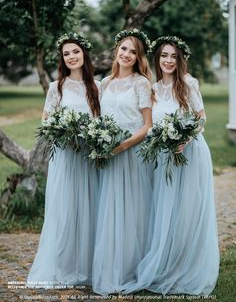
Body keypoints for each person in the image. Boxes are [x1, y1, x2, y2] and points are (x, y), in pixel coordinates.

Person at [123, 36, 219, 296]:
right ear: (158, 59)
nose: (168, 61)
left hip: (190, 153)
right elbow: (150, 125)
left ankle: (187, 267)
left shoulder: (188, 84)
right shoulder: (152, 89)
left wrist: (185, 138)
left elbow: (201, 118)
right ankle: (165, 263)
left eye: (173, 57)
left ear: (180, 60)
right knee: (165, 209)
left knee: (186, 210)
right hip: (164, 157)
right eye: (164, 56)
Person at [27, 32, 100, 288]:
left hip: (89, 158)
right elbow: (46, 121)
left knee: (89, 209)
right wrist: (62, 132)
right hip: (66, 158)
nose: (71, 57)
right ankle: (61, 266)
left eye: (75, 52)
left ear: (84, 54)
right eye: (66, 53)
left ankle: (88, 267)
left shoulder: (97, 87)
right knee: (65, 209)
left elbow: (102, 121)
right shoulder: (56, 87)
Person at [92, 29, 153, 295]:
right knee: (111, 210)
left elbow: (147, 126)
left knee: (134, 211)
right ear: (117, 49)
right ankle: (110, 268)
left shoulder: (141, 83)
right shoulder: (104, 83)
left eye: (133, 51)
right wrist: (100, 143)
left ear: (139, 58)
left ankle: (132, 268)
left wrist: (122, 146)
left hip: (132, 155)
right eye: (124, 49)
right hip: (109, 155)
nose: (127, 54)